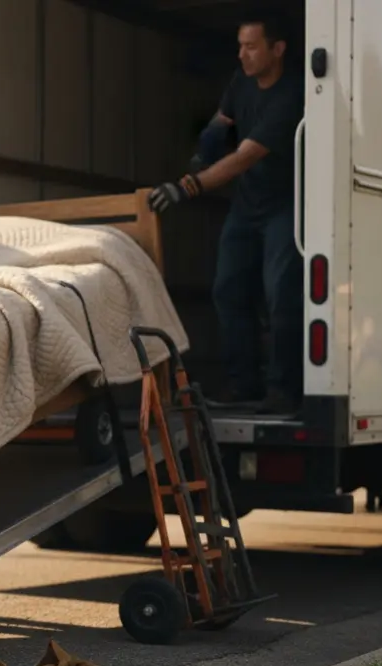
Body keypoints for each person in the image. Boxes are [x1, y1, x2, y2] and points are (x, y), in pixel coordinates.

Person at [148, 13, 305, 416]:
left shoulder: (292, 95)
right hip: (247, 206)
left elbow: (243, 158)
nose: (242, 54)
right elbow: (222, 123)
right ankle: (244, 385)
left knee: (281, 295)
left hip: (284, 207)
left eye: (251, 46)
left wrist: (188, 186)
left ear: (278, 49)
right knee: (228, 290)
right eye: (240, 45)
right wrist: (204, 149)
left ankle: (283, 390)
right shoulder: (242, 82)